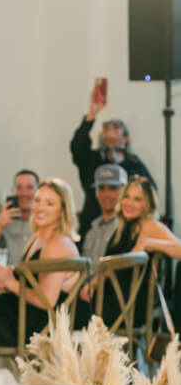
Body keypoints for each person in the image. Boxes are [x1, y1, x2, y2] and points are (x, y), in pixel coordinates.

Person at [0, 178, 80, 359]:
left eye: (49, 203)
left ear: (63, 210)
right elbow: (28, 276)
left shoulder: (58, 245)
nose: (40, 207)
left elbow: (47, 301)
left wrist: (10, 282)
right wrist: (5, 276)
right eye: (38, 201)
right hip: (18, 306)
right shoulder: (37, 237)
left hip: (36, 322)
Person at [70, 81, 154, 238]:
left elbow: (149, 192)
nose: (109, 130)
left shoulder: (134, 164)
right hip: (93, 224)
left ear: (126, 138)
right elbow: (77, 147)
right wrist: (91, 115)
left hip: (125, 229)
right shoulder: (93, 160)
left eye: (115, 127)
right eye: (106, 128)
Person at [96, 176, 181, 328]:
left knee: (69, 310)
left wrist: (150, 243)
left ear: (147, 205)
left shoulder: (149, 226)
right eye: (127, 197)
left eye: (137, 199)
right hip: (111, 298)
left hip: (128, 305)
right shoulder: (121, 230)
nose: (129, 203)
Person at [0, 169, 38, 264]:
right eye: (19, 188)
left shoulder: (44, 220)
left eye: (29, 187)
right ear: (13, 191)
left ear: (37, 191)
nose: (24, 193)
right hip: (8, 274)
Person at [82, 163, 128, 273]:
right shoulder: (92, 230)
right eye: (101, 188)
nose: (106, 194)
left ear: (124, 190)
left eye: (112, 188)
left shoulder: (127, 227)